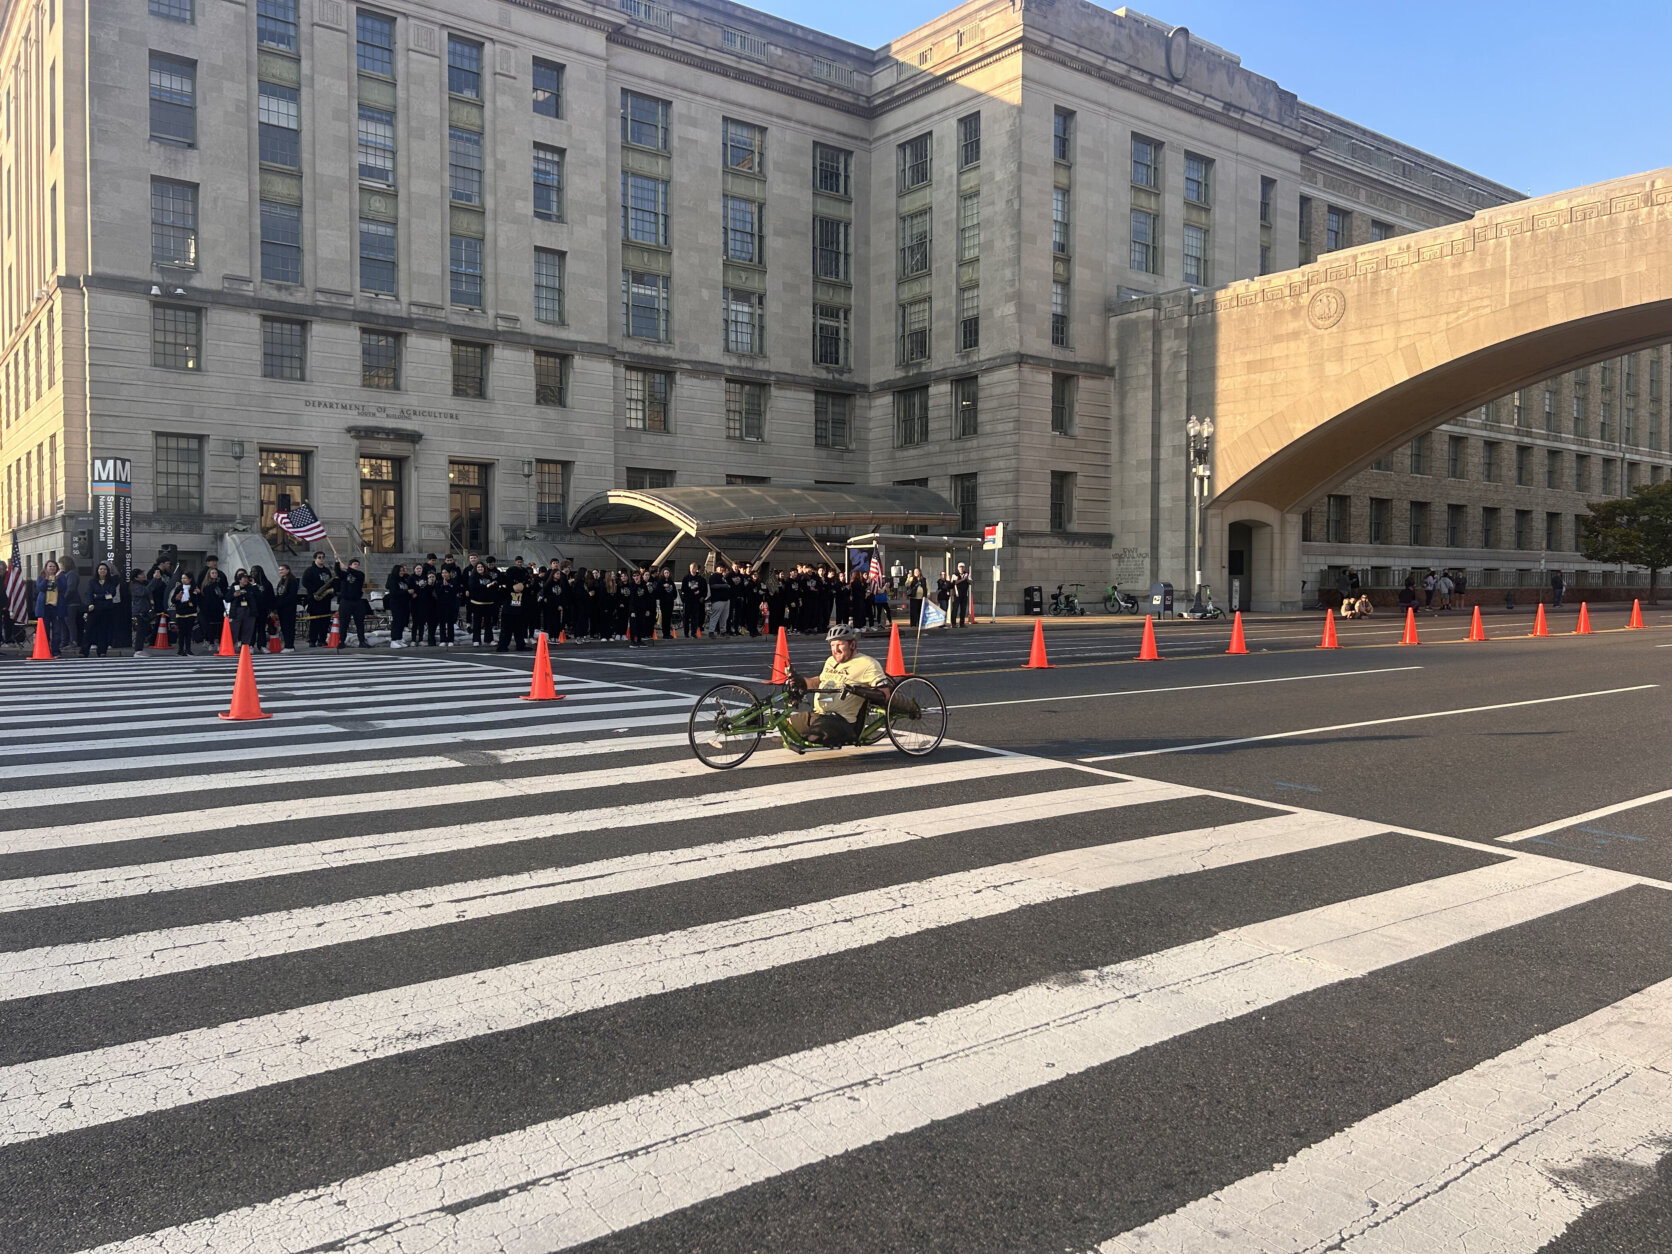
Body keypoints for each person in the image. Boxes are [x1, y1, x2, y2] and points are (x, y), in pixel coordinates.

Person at [783, 623, 891, 749]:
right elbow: (818, 681)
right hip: (819, 714)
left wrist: (857, 690)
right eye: (832, 645)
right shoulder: (830, 661)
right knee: (785, 727)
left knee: (812, 738)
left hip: (842, 721)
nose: (836, 649)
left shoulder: (868, 664)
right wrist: (799, 681)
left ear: (852, 644)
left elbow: (885, 694)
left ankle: (816, 734)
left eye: (840, 644)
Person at [83, 562, 124, 656]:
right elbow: (89, 594)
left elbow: (111, 594)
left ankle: (102, 651)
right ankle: (84, 651)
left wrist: (97, 596)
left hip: (106, 609)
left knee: (103, 631)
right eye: (100, 569)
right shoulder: (92, 582)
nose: (102, 571)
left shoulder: (111, 582)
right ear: (97, 571)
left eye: (104, 569)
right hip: (94, 608)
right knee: (89, 630)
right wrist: (92, 602)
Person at [34, 559, 70, 656]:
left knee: (57, 631)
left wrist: (56, 578)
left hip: (56, 606)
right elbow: (40, 588)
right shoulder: (41, 577)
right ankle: (45, 649)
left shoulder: (61, 577)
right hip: (44, 607)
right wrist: (47, 578)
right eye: (50, 566)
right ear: (46, 568)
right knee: (44, 630)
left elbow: (63, 588)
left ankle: (56, 651)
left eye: (54, 566)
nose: (52, 568)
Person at [301, 552, 335, 646]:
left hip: (325, 600)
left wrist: (328, 593)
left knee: (325, 621)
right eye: (319, 557)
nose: (321, 559)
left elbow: (330, 583)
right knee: (315, 622)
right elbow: (305, 582)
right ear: (315, 559)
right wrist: (316, 590)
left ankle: (322, 640)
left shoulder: (327, 571)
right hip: (315, 599)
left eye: (323, 557)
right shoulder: (310, 570)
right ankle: (312, 640)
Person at [335, 558, 370, 647]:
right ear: (350, 565)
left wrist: (347, 568)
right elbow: (338, 572)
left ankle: (362, 641)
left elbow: (357, 575)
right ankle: (342, 641)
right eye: (355, 564)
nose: (357, 566)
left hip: (357, 601)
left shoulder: (360, 574)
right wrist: (337, 562)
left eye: (358, 564)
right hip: (346, 601)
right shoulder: (345, 574)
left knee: (359, 622)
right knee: (344, 622)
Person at [198, 555, 229, 648]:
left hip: (218, 604)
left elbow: (225, 588)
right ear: (208, 562)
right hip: (206, 605)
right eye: (212, 561)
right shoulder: (203, 574)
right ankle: (208, 640)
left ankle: (217, 640)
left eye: (216, 561)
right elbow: (200, 588)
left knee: (219, 623)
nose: (215, 563)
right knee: (207, 624)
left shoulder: (221, 574)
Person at [169, 570, 200, 655]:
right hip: (180, 612)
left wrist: (198, 594)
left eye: (185, 578)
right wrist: (177, 598)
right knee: (181, 632)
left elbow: (197, 600)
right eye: (182, 578)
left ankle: (188, 649)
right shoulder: (179, 588)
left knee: (189, 632)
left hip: (191, 612)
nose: (183, 580)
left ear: (190, 579)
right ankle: (180, 649)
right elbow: (173, 600)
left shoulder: (194, 588)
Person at [229, 573, 262, 648]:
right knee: (234, 629)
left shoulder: (251, 588)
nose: (246, 580)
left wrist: (254, 585)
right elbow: (227, 598)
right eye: (244, 578)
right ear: (240, 580)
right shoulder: (235, 587)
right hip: (237, 610)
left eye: (247, 578)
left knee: (248, 629)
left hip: (249, 610)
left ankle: (245, 646)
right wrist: (234, 595)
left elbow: (259, 596)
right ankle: (232, 644)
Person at [273, 563, 300, 651]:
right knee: (284, 627)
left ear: (288, 570)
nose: (281, 571)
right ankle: (287, 644)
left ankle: (289, 645)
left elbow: (291, 596)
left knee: (289, 627)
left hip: (288, 608)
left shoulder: (292, 581)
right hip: (282, 608)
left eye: (282, 569)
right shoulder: (282, 581)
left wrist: (282, 603)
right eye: (280, 570)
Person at [386, 563, 412, 647]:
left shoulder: (404, 580)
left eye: (403, 570)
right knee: (396, 622)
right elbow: (394, 592)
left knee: (402, 622)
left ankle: (399, 639)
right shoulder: (393, 580)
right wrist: (407, 592)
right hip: (396, 604)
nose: (402, 572)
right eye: (400, 571)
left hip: (404, 603)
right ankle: (394, 640)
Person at [680, 563, 707, 639]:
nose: (692, 569)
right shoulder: (686, 578)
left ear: (696, 569)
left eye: (694, 568)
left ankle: (693, 632)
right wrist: (690, 590)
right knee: (686, 617)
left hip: (696, 600)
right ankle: (686, 632)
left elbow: (703, 589)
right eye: (691, 567)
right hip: (688, 600)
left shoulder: (700, 578)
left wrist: (699, 593)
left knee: (695, 617)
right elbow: (683, 589)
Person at [706, 563, 731, 637]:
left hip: (725, 599)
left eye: (722, 567)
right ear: (716, 568)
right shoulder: (714, 576)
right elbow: (713, 585)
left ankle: (723, 631)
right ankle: (711, 631)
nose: (721, 569)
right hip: (717, 600)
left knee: (724, 617)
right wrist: (724, 586)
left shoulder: (723, 577)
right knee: (715, 616)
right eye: (719, 567)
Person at [952, 563, 973, 627]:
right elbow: (954, 582)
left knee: (963, 609)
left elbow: (971, 582)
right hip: (957, 594)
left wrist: (967, 578)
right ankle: (953, 623)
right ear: (958, 567)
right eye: (960, 567)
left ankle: (962, 623)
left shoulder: (967, 574)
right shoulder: (955, 574)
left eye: (963, 567)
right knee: (955, 609)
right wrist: (963, 579)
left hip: (964, 594)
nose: (961, 568)